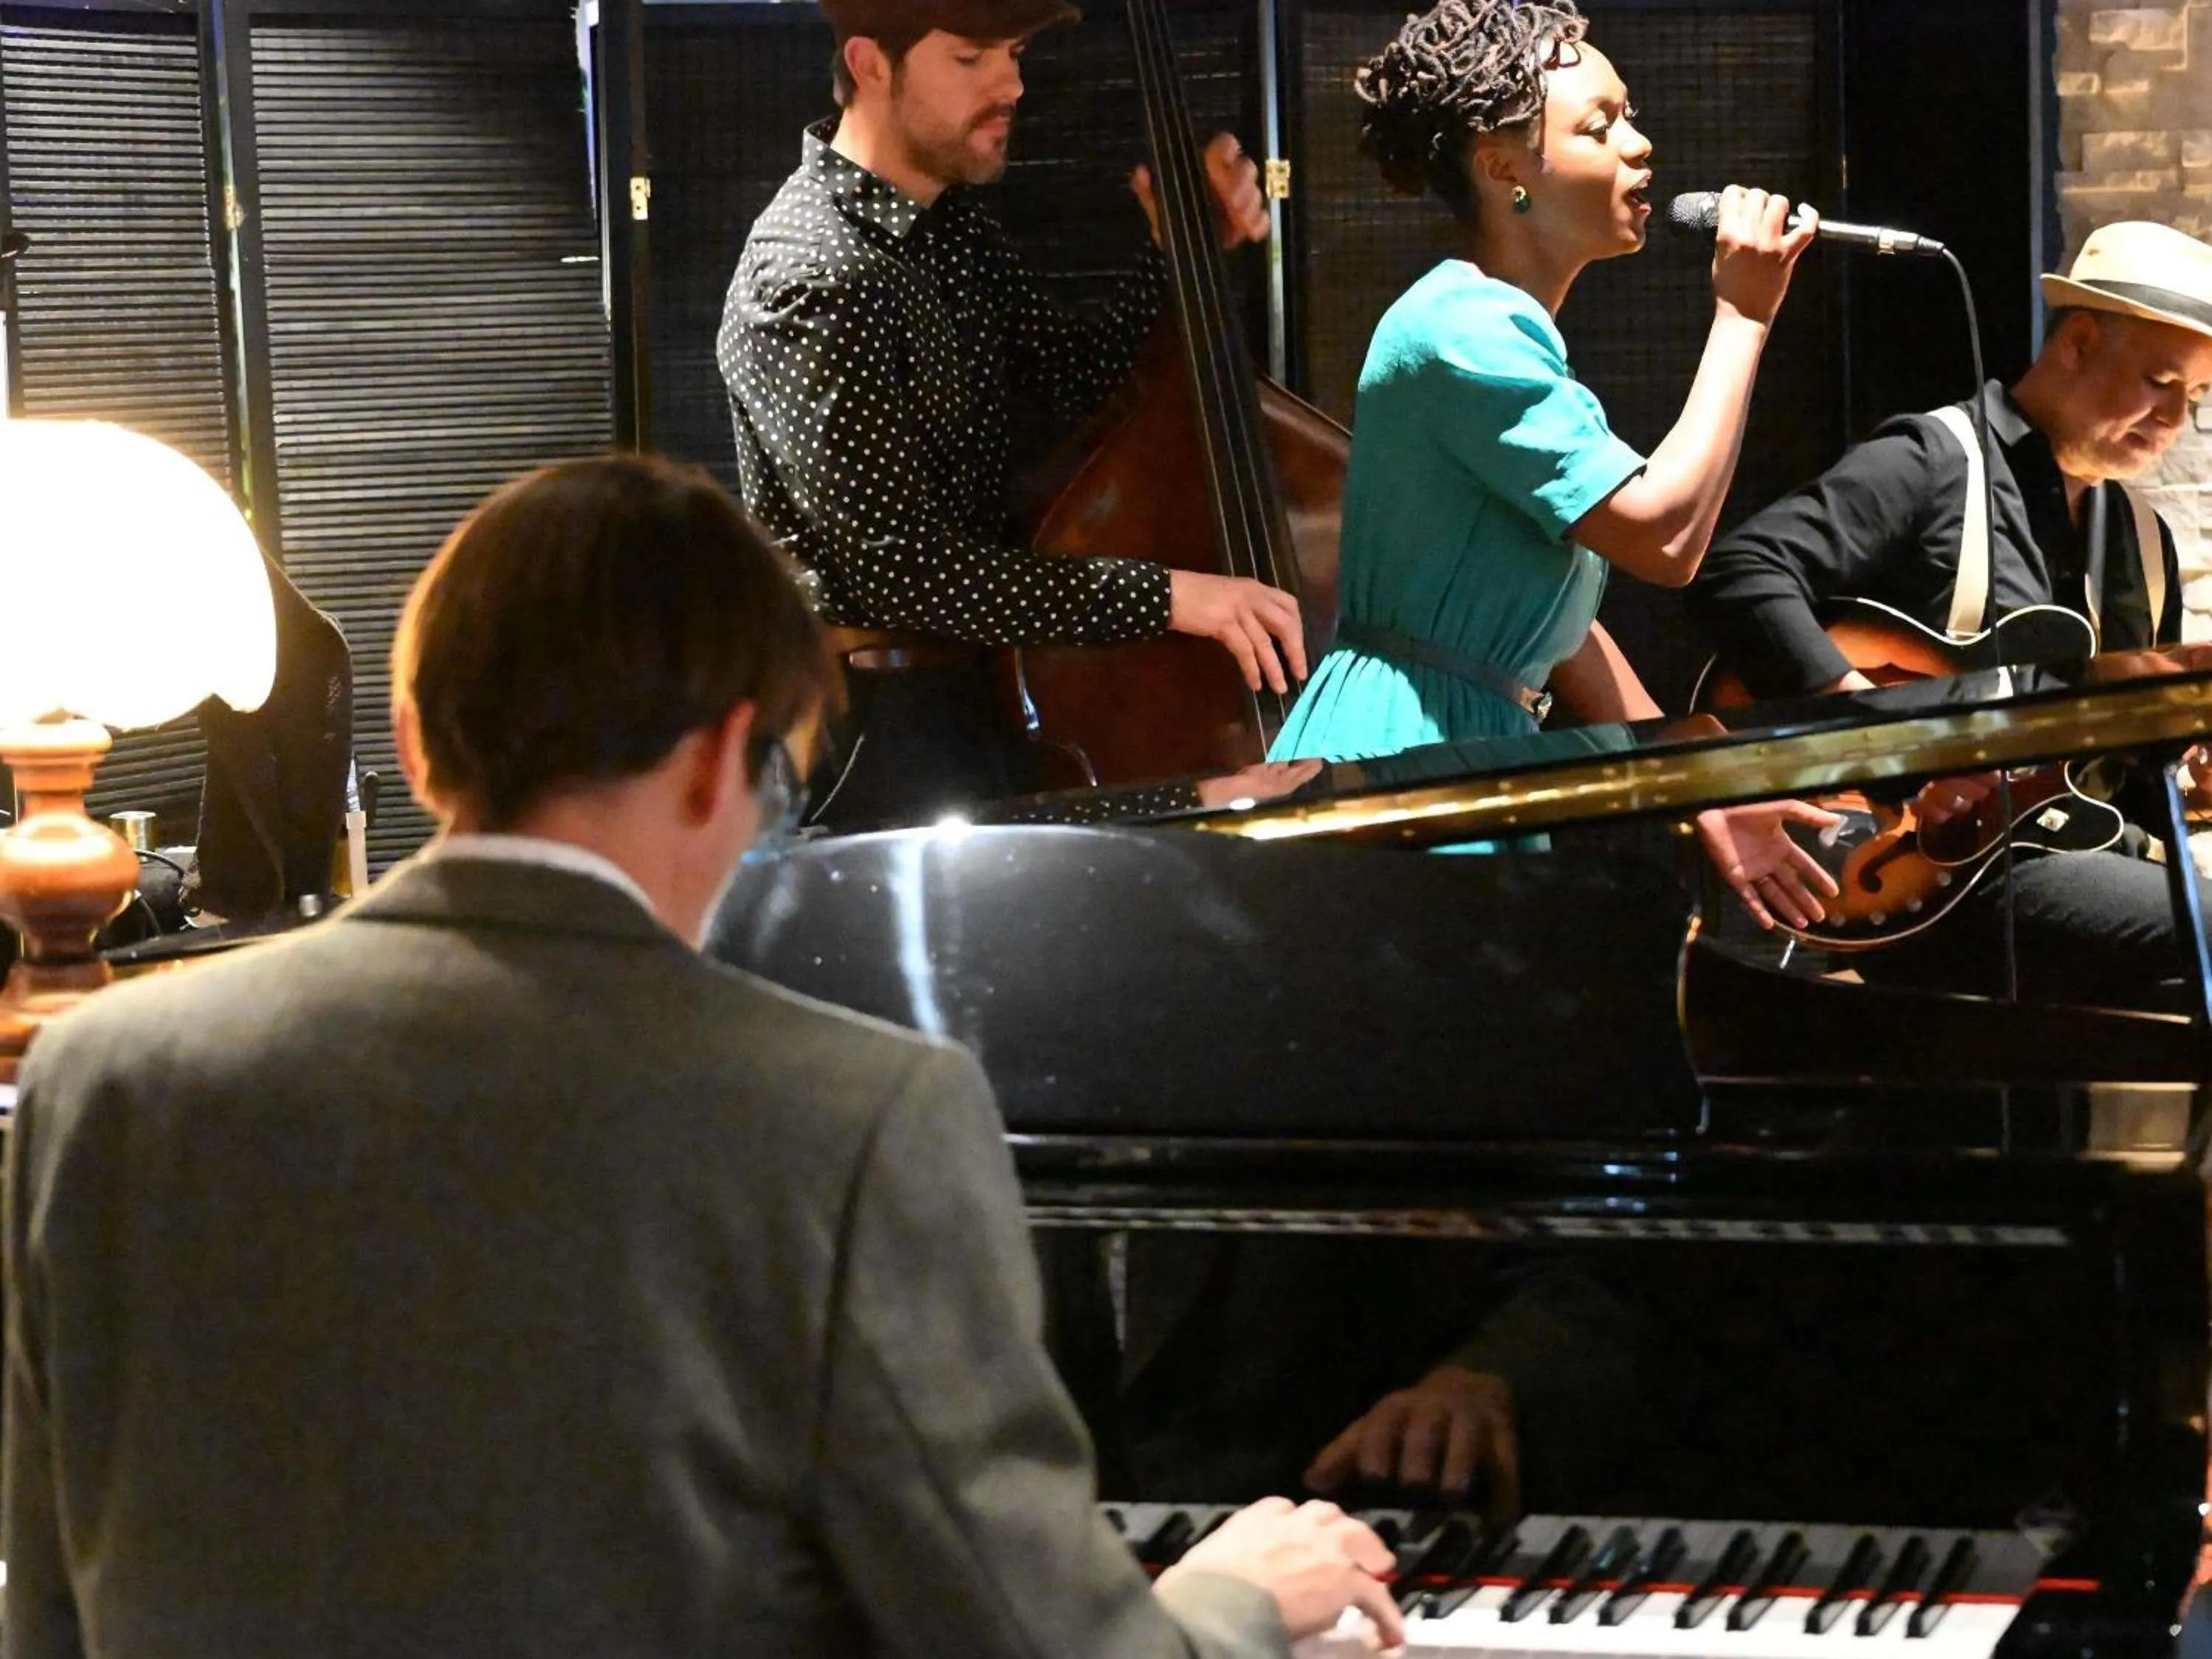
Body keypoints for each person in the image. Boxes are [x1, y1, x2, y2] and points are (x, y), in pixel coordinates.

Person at [1, 454, 1403, 1658]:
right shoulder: (858, 1117)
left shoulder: (100, 1078)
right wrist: (1228, 1599)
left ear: (419, 744)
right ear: (721, 755)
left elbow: (50, 1616)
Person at [1265, 0, 1837, 934]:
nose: (1641, 145)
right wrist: (1744, 318)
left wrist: (1700, 776)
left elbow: (1556, 627)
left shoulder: (1501, 327)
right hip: (1405, 754)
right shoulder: (1463, 330)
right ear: (1503, 170)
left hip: (1466, 744)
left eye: (1631, 115)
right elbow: (1665, 538)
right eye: (1599, 126)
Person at [720, 0, 1304, 830]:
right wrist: (1171, 596)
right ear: (869, 62)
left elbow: (1072, 387)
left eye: (1015, 54)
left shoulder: (948, 226)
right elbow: (903, 569)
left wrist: (1181, 246)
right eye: (971, 59)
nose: (1013, 85)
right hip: (875, 736)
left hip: (979, 692)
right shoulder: (812, 277)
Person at [1688, 220, 2212, 1008]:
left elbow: (2123, 774)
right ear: (2077, 342)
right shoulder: (1932, 461)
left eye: (2197, 398)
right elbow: (1741, 572)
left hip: (2064, 861)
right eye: (2159, 383)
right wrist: (1883, 736)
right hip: (1909, 868)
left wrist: (2186, 781)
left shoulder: (2145, 546)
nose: (2174, 421)